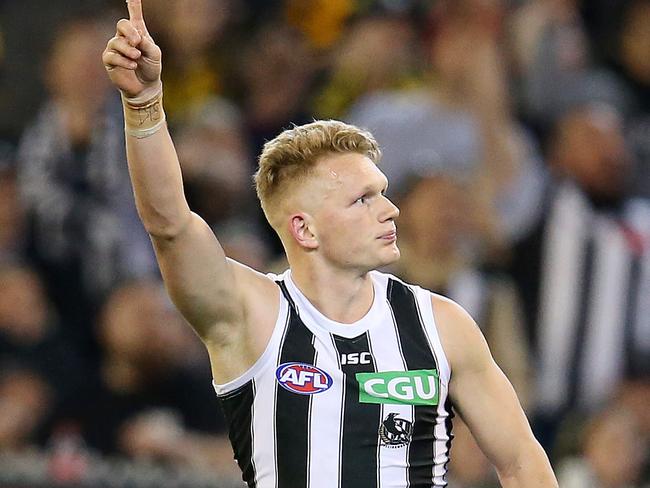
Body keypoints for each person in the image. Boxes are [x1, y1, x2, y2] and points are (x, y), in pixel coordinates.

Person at [101, 1, 558, 486]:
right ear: (305, 230)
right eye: (363, 200)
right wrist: (144, 102)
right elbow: (170, 223)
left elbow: (522, 461)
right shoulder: (251, 314)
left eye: (383, 193)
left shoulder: (443, 325)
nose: (391, 210)